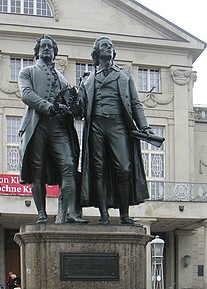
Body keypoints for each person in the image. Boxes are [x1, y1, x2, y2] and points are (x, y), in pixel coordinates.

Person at [79, 36, 154, 225]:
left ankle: (124, 215)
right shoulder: (88, 80)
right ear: (96, 53)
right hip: (96, 125)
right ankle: (104, 215)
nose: (109, 48)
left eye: (111, 46)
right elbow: (79, 110)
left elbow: (136, 104)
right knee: (98, 170)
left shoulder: (124, 76)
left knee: (124, 169)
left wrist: (144, 126)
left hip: (118, 125)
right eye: (104, 45)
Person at [18, 34, 87, 224]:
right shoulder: (27, 71)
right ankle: (41, 213)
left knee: (69, 165)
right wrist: (48, 106)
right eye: (44, 46)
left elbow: (71, 103)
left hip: (59, 127)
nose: (47, 49)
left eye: (50, 47)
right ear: (38, 51)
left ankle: (70, 212)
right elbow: (27, 95)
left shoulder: (63, 79)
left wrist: (76, 102)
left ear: (55, 53)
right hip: (37, 125)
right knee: (37, 169)